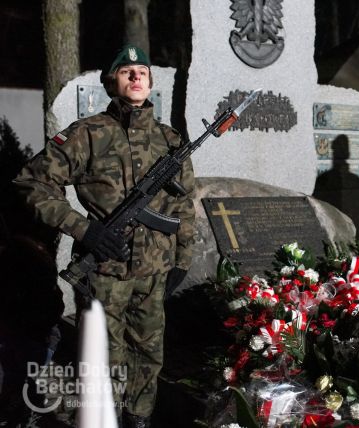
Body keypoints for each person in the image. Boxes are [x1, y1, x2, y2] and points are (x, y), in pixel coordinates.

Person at [13, 44, 196, 428]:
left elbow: (183, 207)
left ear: (150, 82)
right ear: (112, 81)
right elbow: (31, 184)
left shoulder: (170, 141)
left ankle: (140, 419)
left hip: (153, 272)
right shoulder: (88, 134)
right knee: (101, 360)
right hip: (104, 273)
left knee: (149, 356)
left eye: (142, 72)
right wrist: (84, 228)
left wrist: (181, 260)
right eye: (126, 71)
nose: (135, 77)